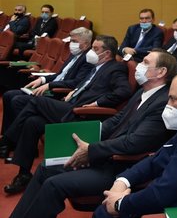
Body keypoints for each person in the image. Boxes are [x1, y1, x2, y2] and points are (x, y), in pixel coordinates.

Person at [8, 50, 177, 218]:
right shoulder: (142, 92)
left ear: (161, 72)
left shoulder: (162, 102)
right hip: (106, 156)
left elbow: (134, 142)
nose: (139, 66)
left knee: (54, 184)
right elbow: (118, 119)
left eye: (146, 63)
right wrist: (91, 133)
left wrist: (91, 149)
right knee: (45, 168)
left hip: (122, 167)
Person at [1, 35, 131, 194]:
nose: (91, 51)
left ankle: (6, 140)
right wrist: (74, 91)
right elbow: (85, 85)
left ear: (107, 53)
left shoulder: (116, 68)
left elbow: (124, 91)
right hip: (71, 106)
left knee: (36, 102)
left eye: (95, 49)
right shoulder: (96, 67)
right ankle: (24, 174)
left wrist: (97, 103)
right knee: (32, 122)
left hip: (82, 114)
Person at [94, 71, 177, 218]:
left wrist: (119, 204)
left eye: (173, 99)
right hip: (166, 198)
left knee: (104, 212)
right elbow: (156, 160)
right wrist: (123, 181)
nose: (168, 105)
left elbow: (165, 190)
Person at [1, 27, 94, 141]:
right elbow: (60, 75)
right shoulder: (74, 55)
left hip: (58, 93)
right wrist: (42, 79)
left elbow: (76, 82)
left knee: (18, 100)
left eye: (75, 41)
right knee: (8, 95)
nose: (71, 44)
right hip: (50, 87)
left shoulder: (87, 59)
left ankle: (14, 140)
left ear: (86, 44)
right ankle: (6, 135)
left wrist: (50, 85)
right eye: (71, 41)